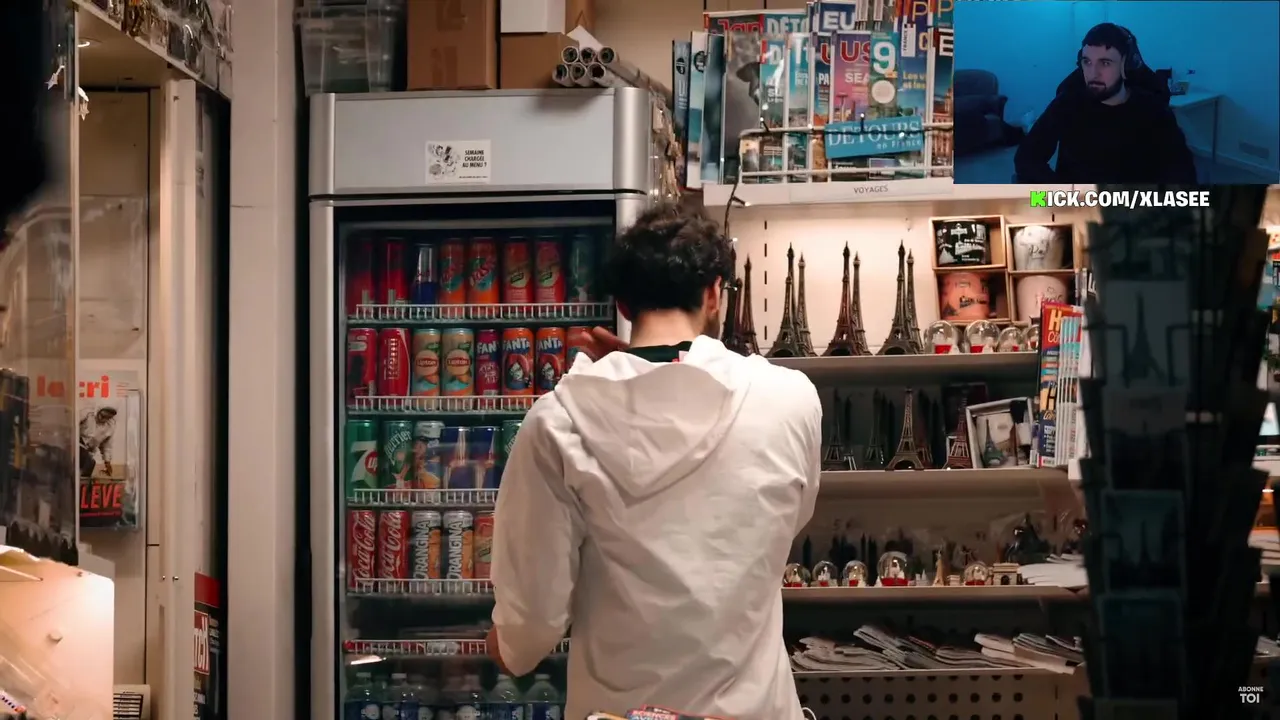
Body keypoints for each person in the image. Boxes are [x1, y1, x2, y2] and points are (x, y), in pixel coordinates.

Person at [486, 203, 822, 720]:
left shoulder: (558, 422)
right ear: (714, 294)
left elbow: (533, 621)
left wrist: (505, 645)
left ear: (622, 302)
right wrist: (645, 376)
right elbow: (784, 521)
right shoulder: (790, 400)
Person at [1014, 23, 1197, 184]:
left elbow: (1182, 174)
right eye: (1087, 62)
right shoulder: (1067, 104)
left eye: (1105, 63)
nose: (1093, 73)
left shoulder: (1154, 111)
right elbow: (1026, 158)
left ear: (1127, 66)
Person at [79, 406, 117, 479]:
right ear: (99, 411)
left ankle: (83, 482)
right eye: (102, 416)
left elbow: (106, 446)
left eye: (107, 417)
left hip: (89, 451)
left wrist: (107, 463)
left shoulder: (110, 427)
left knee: (90, 464)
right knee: (89, 462)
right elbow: (72, 425)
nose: (103, 419)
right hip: (76, 445)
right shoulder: (87, 414)